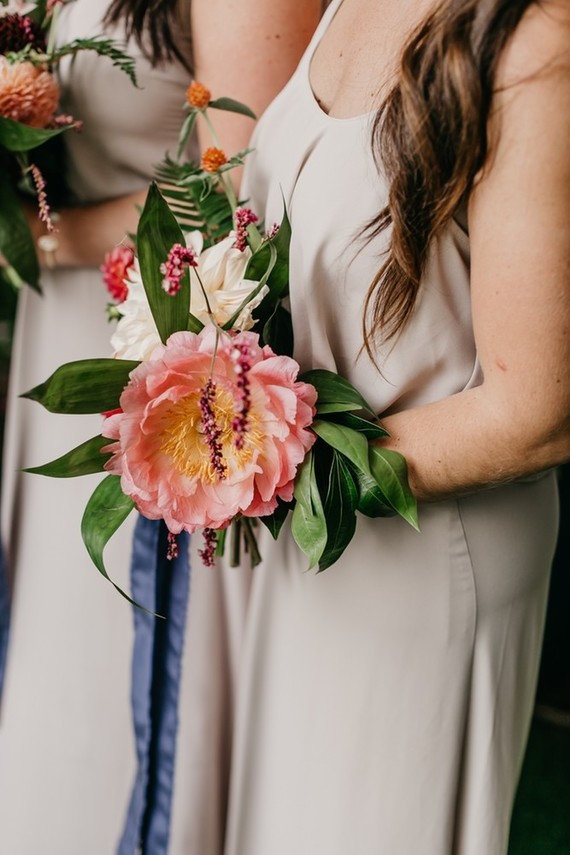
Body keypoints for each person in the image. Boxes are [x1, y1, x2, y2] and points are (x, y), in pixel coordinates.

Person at [212, 1, 570, 854]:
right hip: (317, 534)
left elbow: (539, 410)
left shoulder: (536, 47)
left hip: (433, 551)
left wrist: (273, 453)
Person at [0, 2, 322, 853]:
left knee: (119, 710)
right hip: (56, 325)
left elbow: (246, 185)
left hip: (159, 358)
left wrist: (51, 238)